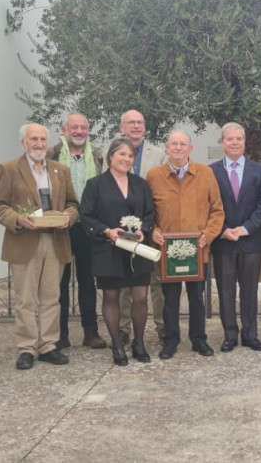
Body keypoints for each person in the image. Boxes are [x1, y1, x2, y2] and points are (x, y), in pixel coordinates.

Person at [0, 123, 80, 370]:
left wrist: (68, 218)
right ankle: (27, 347)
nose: (39, 144)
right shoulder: (9, 169)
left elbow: (73, 204)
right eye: (33, 140)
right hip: (24, 242)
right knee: (26, 299)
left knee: (52, 297)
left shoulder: (60, 170)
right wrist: (18, 220)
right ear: (23, 143)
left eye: (42, 139)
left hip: (55, 240)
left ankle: (48, 345)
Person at [147, 130, 224, 360]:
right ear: (166, 147)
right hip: (167, 251)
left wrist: (208, 235)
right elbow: (147, 211)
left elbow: (217, 210)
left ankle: (199, 339)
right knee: (169, 300)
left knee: (197, 299)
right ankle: (170, 341)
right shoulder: (154, 176)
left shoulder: (205, 173)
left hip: (197, 250)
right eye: (174, 144)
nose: (178, 148)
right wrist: (153, 231)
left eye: (183, 144)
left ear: (190, 148)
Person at [81, 138, 156, 366]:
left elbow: (150, 213)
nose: (126, 159)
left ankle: (139, 343)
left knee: (141, 297)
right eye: (121, 154)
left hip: (136, 249)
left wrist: (144, 230)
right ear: (111, 156)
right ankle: (117, 345)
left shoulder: (141, 184)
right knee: (111, 296)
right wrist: (107, 231)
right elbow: (87, 216)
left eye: (131, 156)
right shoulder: (95, 185)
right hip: (109, 248)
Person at [47, 112, 107, 350]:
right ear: (64, 130)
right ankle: (60, 334)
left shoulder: (98, 155)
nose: (79, 131)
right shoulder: (53, 154)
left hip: (89, 225)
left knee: (87, 281)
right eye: (74, 127)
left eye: (83, 127)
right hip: (61, 224)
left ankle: (90, 332)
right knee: (60, 282)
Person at [210, 123, 261, 352]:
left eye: (239, 139)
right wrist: (223, 229)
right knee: (226, 291)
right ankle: (229, 335)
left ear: (245, 142)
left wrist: (245, 229)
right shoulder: (211, 172)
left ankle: (250, 334)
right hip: (222, 240)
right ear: (222, 142)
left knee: (249, 291)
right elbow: (208, 206)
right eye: (230, 139)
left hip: (250, 241)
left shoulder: (260, 171)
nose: (235, 142)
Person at [119, 109, 167, 344]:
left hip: (154, 227)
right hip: (123, 230)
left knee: (158, 281)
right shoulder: (115, 153)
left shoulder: (158, 154)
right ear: (122, 128)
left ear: (145, 127)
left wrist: (155, 226)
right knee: (126, 281)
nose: (136, 126)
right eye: (131, 123)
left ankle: (162, 327)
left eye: (140, 122)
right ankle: (123, 328)